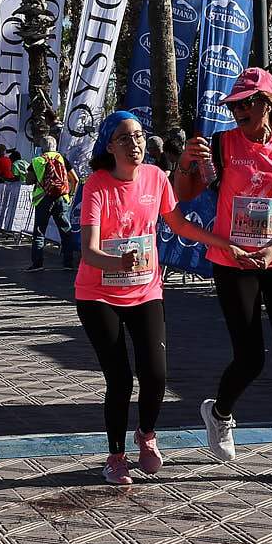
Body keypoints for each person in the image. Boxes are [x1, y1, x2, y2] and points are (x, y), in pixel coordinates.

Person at [170, 67, 272, 484]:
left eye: (246, 103)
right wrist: (186, 162)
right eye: (233, 105)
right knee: (251, 357)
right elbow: (184, 194)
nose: (238, 111)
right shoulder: (221, 144)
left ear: (267, 104)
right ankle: (219, 412)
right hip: (232, 260)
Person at [76, 111, 175, 486]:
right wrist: (118, 261)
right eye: (125, 138)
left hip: (145, 290)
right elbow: (89, 251)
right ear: (109, 146)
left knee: (155, 372)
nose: (135, 143)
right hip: (98, 294)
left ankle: (146, 434)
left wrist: (220, 243)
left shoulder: (156, 177)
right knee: (119, 379)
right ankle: (115, 457)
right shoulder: (96, 185)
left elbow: (178, 222)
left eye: (139, 136)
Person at [27, 143, 77, 271]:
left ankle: (37, 264)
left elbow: (29, 180)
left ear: (43, 148)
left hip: (43, 199)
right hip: (61, 198)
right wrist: (70, 195)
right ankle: (68, 263)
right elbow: (75, 180)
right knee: (65, 231)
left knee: (39, 232)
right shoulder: (62, 159)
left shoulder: (37, 161)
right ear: (55, 146)